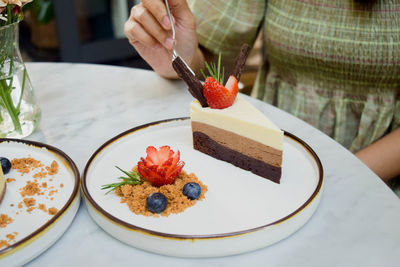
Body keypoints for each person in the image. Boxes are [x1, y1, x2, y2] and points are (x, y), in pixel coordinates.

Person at [124, 0, 400, 187]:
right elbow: (209, 64)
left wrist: (335, 179)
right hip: (267, 158)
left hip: (378, 176)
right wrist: (179, 54)